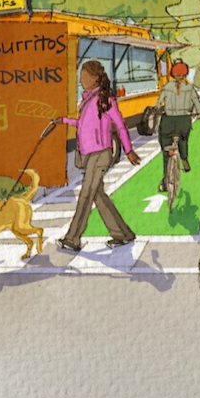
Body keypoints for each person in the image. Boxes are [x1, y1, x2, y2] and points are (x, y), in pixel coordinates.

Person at [50, 60, 141, 253]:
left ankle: (72, 239)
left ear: (96, 78)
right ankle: (123, 234)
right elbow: (83, 125)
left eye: (85, 77)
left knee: (85, 195)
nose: (81, 80)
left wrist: (128, 150)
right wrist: (64, 120)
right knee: (98, 195)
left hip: (100, 154)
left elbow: (121, 125)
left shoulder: (104, 99)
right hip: (89, 154)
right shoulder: (87, 100)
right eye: (81, 77)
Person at [156, 61, 200, 180]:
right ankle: (184, 159)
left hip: (168, 121)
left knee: (165, 143)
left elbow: (158, 103)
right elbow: (196, 102)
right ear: (185, 74)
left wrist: (158, 109)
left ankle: (166, 177)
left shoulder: (166, 87)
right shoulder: (190, 88)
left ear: (172, 74)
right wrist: (199, 112)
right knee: (183, 139)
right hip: (184, 120)